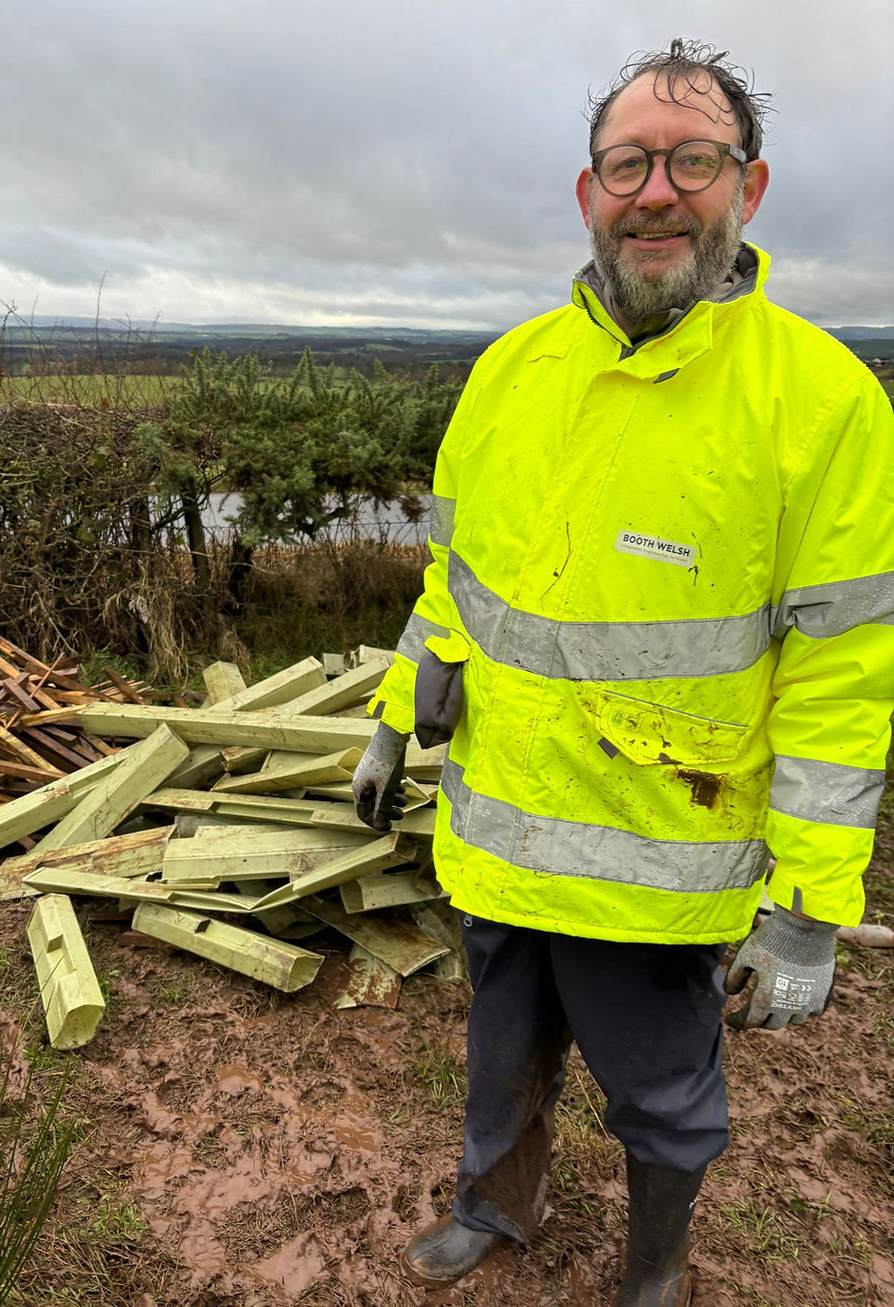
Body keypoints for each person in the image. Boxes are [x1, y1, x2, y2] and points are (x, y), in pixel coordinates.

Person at [352, 37, 894, 1307]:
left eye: (690, 160)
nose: (656, 190)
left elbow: (840, 670)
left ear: (745, 189)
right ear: (585, 191)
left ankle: (654, 1264)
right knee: (499, 1052)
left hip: (662, 852)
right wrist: (393, 717)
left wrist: (812, 902)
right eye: (626, 163)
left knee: (661, 1091)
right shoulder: (508, 373)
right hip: (497, 826)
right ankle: (497, 1202)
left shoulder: (821, 403)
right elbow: (454, 585)